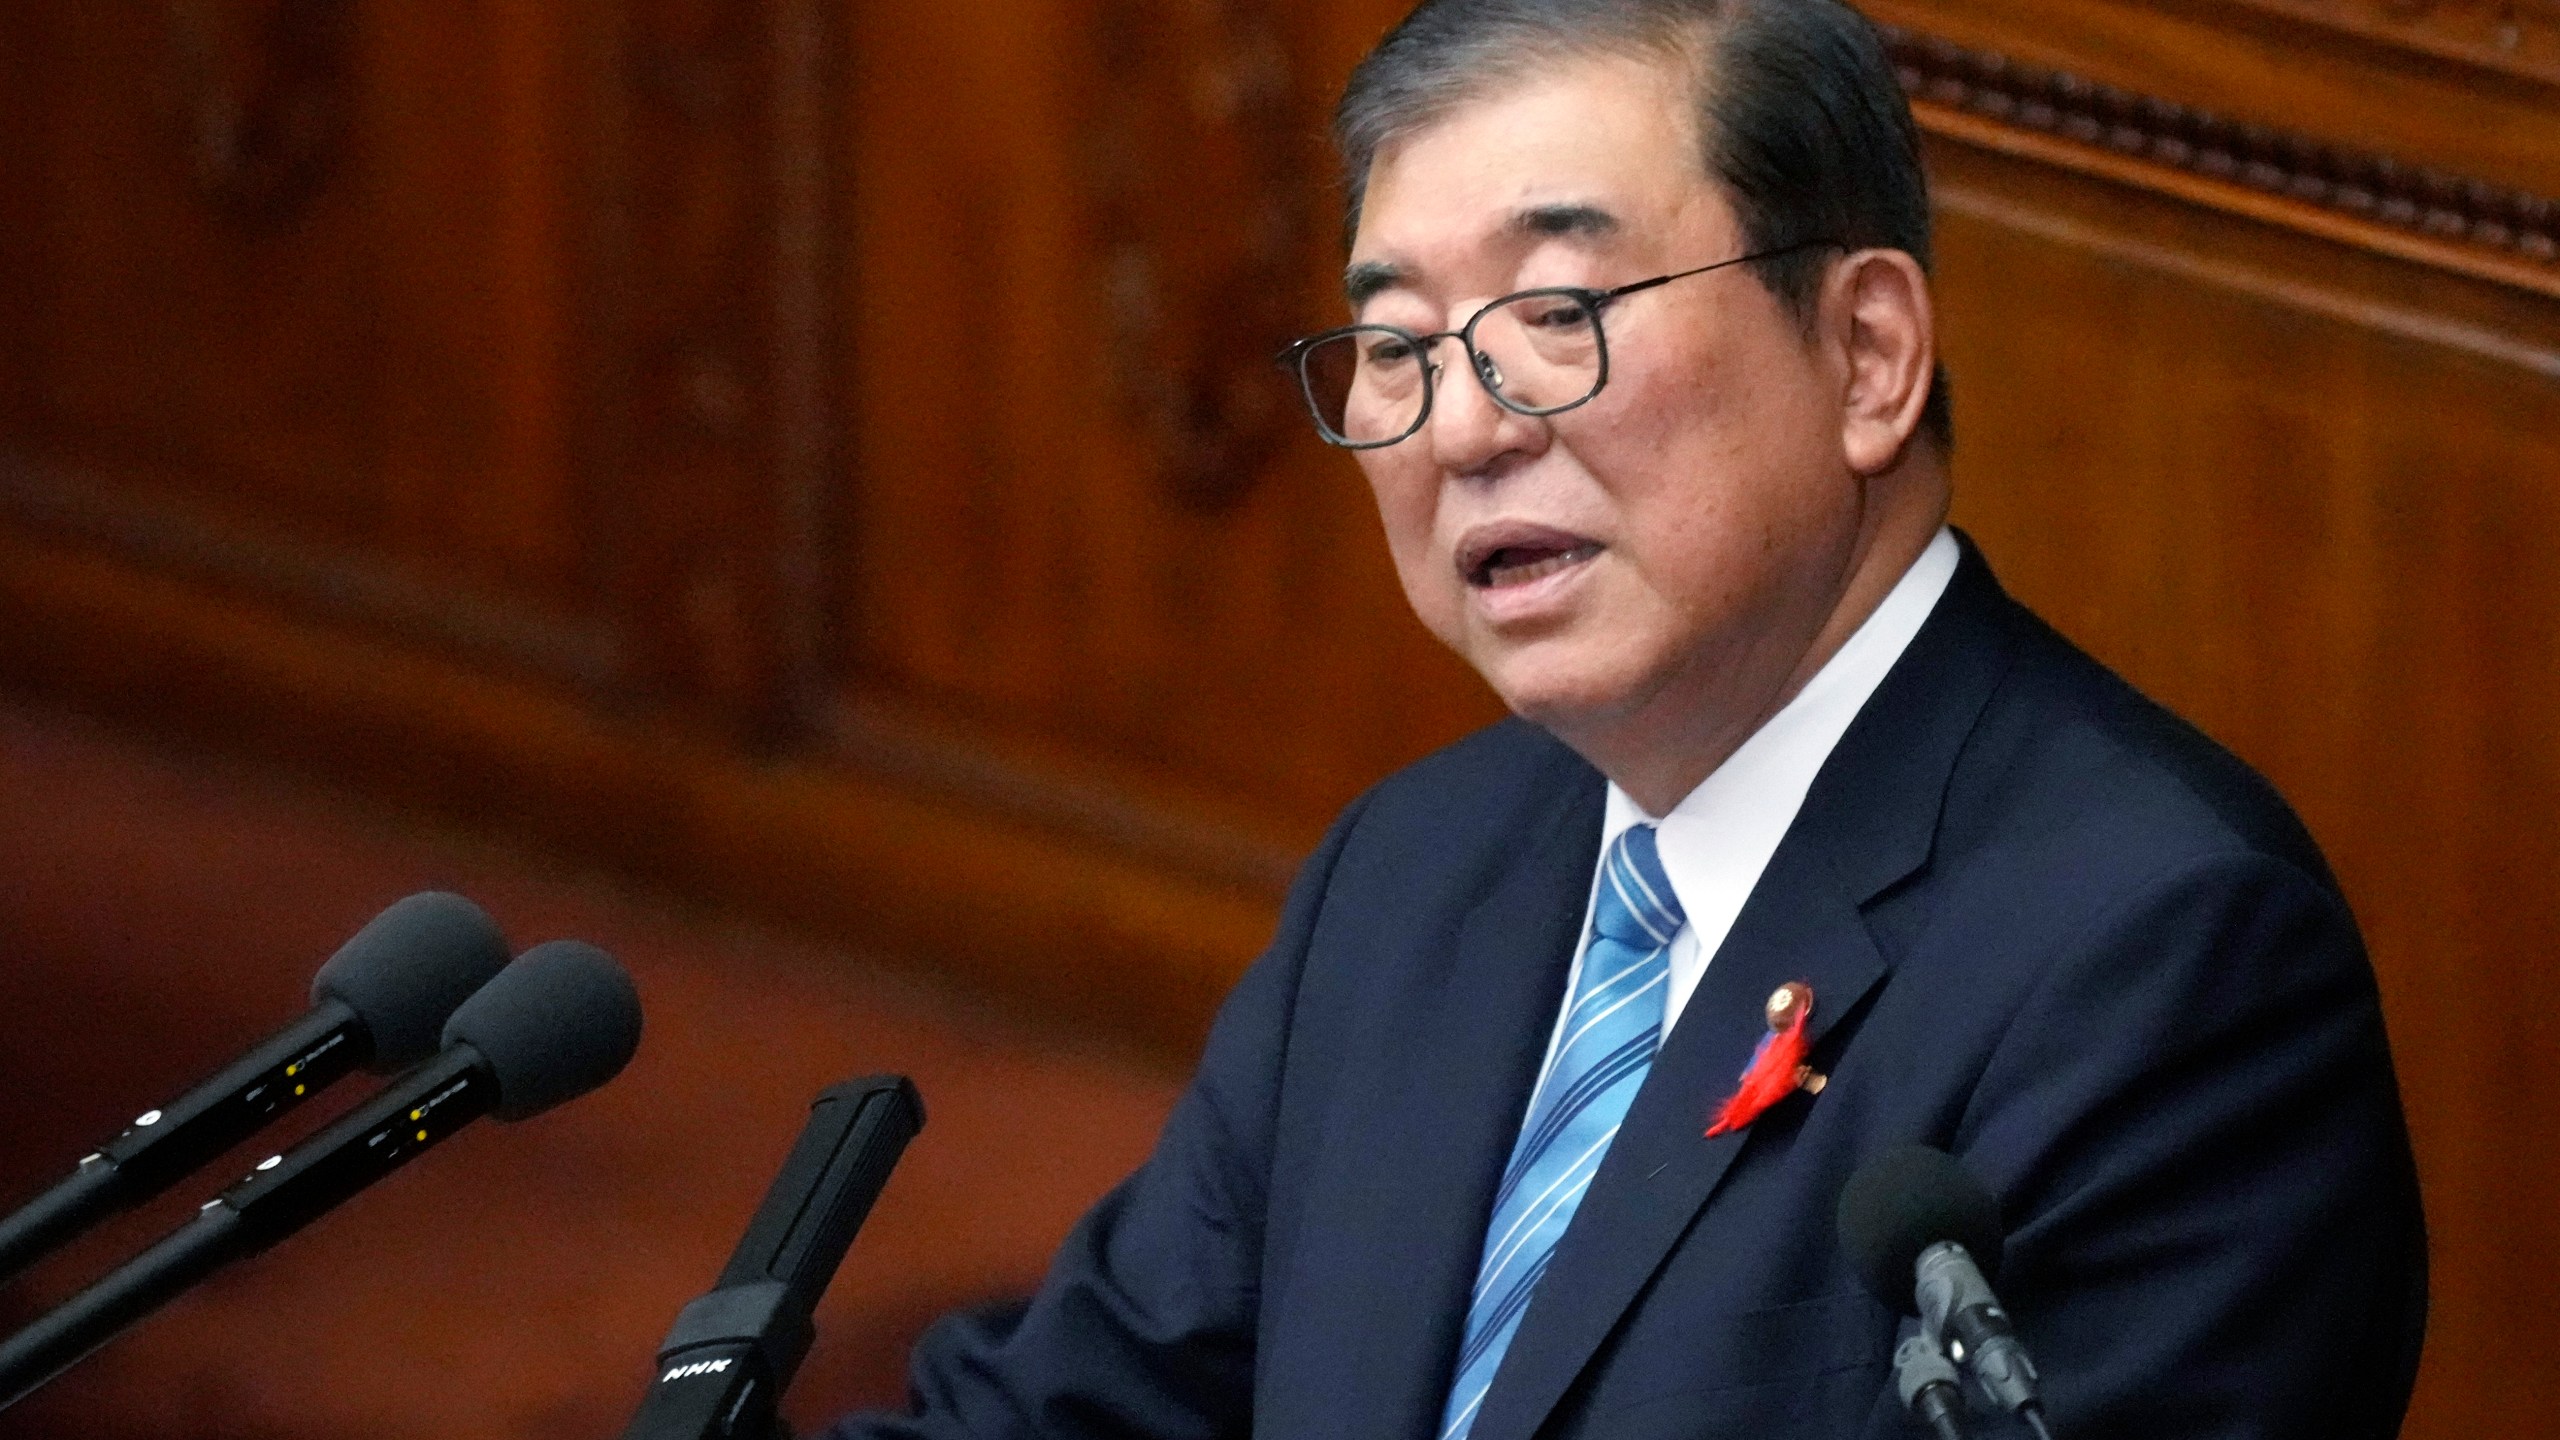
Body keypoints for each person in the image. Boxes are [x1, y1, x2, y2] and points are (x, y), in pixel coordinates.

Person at [826, 2, 2426, 1437]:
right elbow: (1080, 1410)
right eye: (1395, 348)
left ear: (1867, 353)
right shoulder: (1419, 868)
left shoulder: (2166, 959)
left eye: (1557, 316)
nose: (1458, 427)